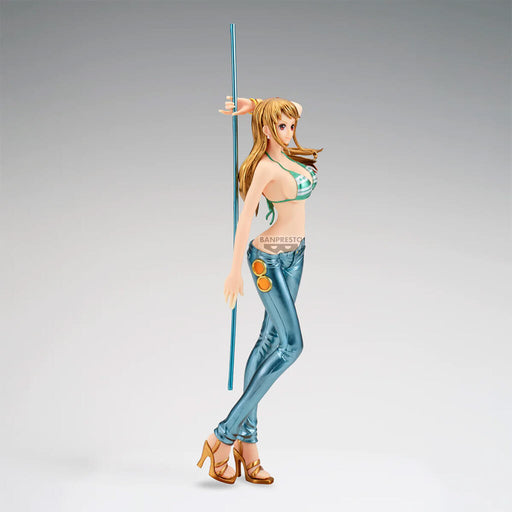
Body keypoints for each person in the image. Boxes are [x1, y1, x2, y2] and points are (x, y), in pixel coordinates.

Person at [197, 96, 322, 484]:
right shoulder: (266, 168)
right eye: (281, 126)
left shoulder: (286, 156)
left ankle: (247, 448)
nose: (290, 131)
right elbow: (244, 221)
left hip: (296, 255)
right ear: (267, 131)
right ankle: (223, 435)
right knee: (292, 345)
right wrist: (234, 271)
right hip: (267, 259)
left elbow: (297, 105)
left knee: (268, 342)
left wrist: (256, 105)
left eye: (291, 126)